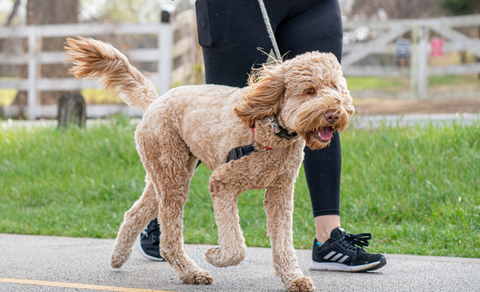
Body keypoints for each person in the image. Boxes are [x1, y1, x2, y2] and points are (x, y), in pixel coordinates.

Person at [138, 0, 386, 272]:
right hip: (238, 6)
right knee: (227, 117)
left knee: (323, 109)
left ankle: (328, 239)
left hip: (313, 5)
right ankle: (160, 219)